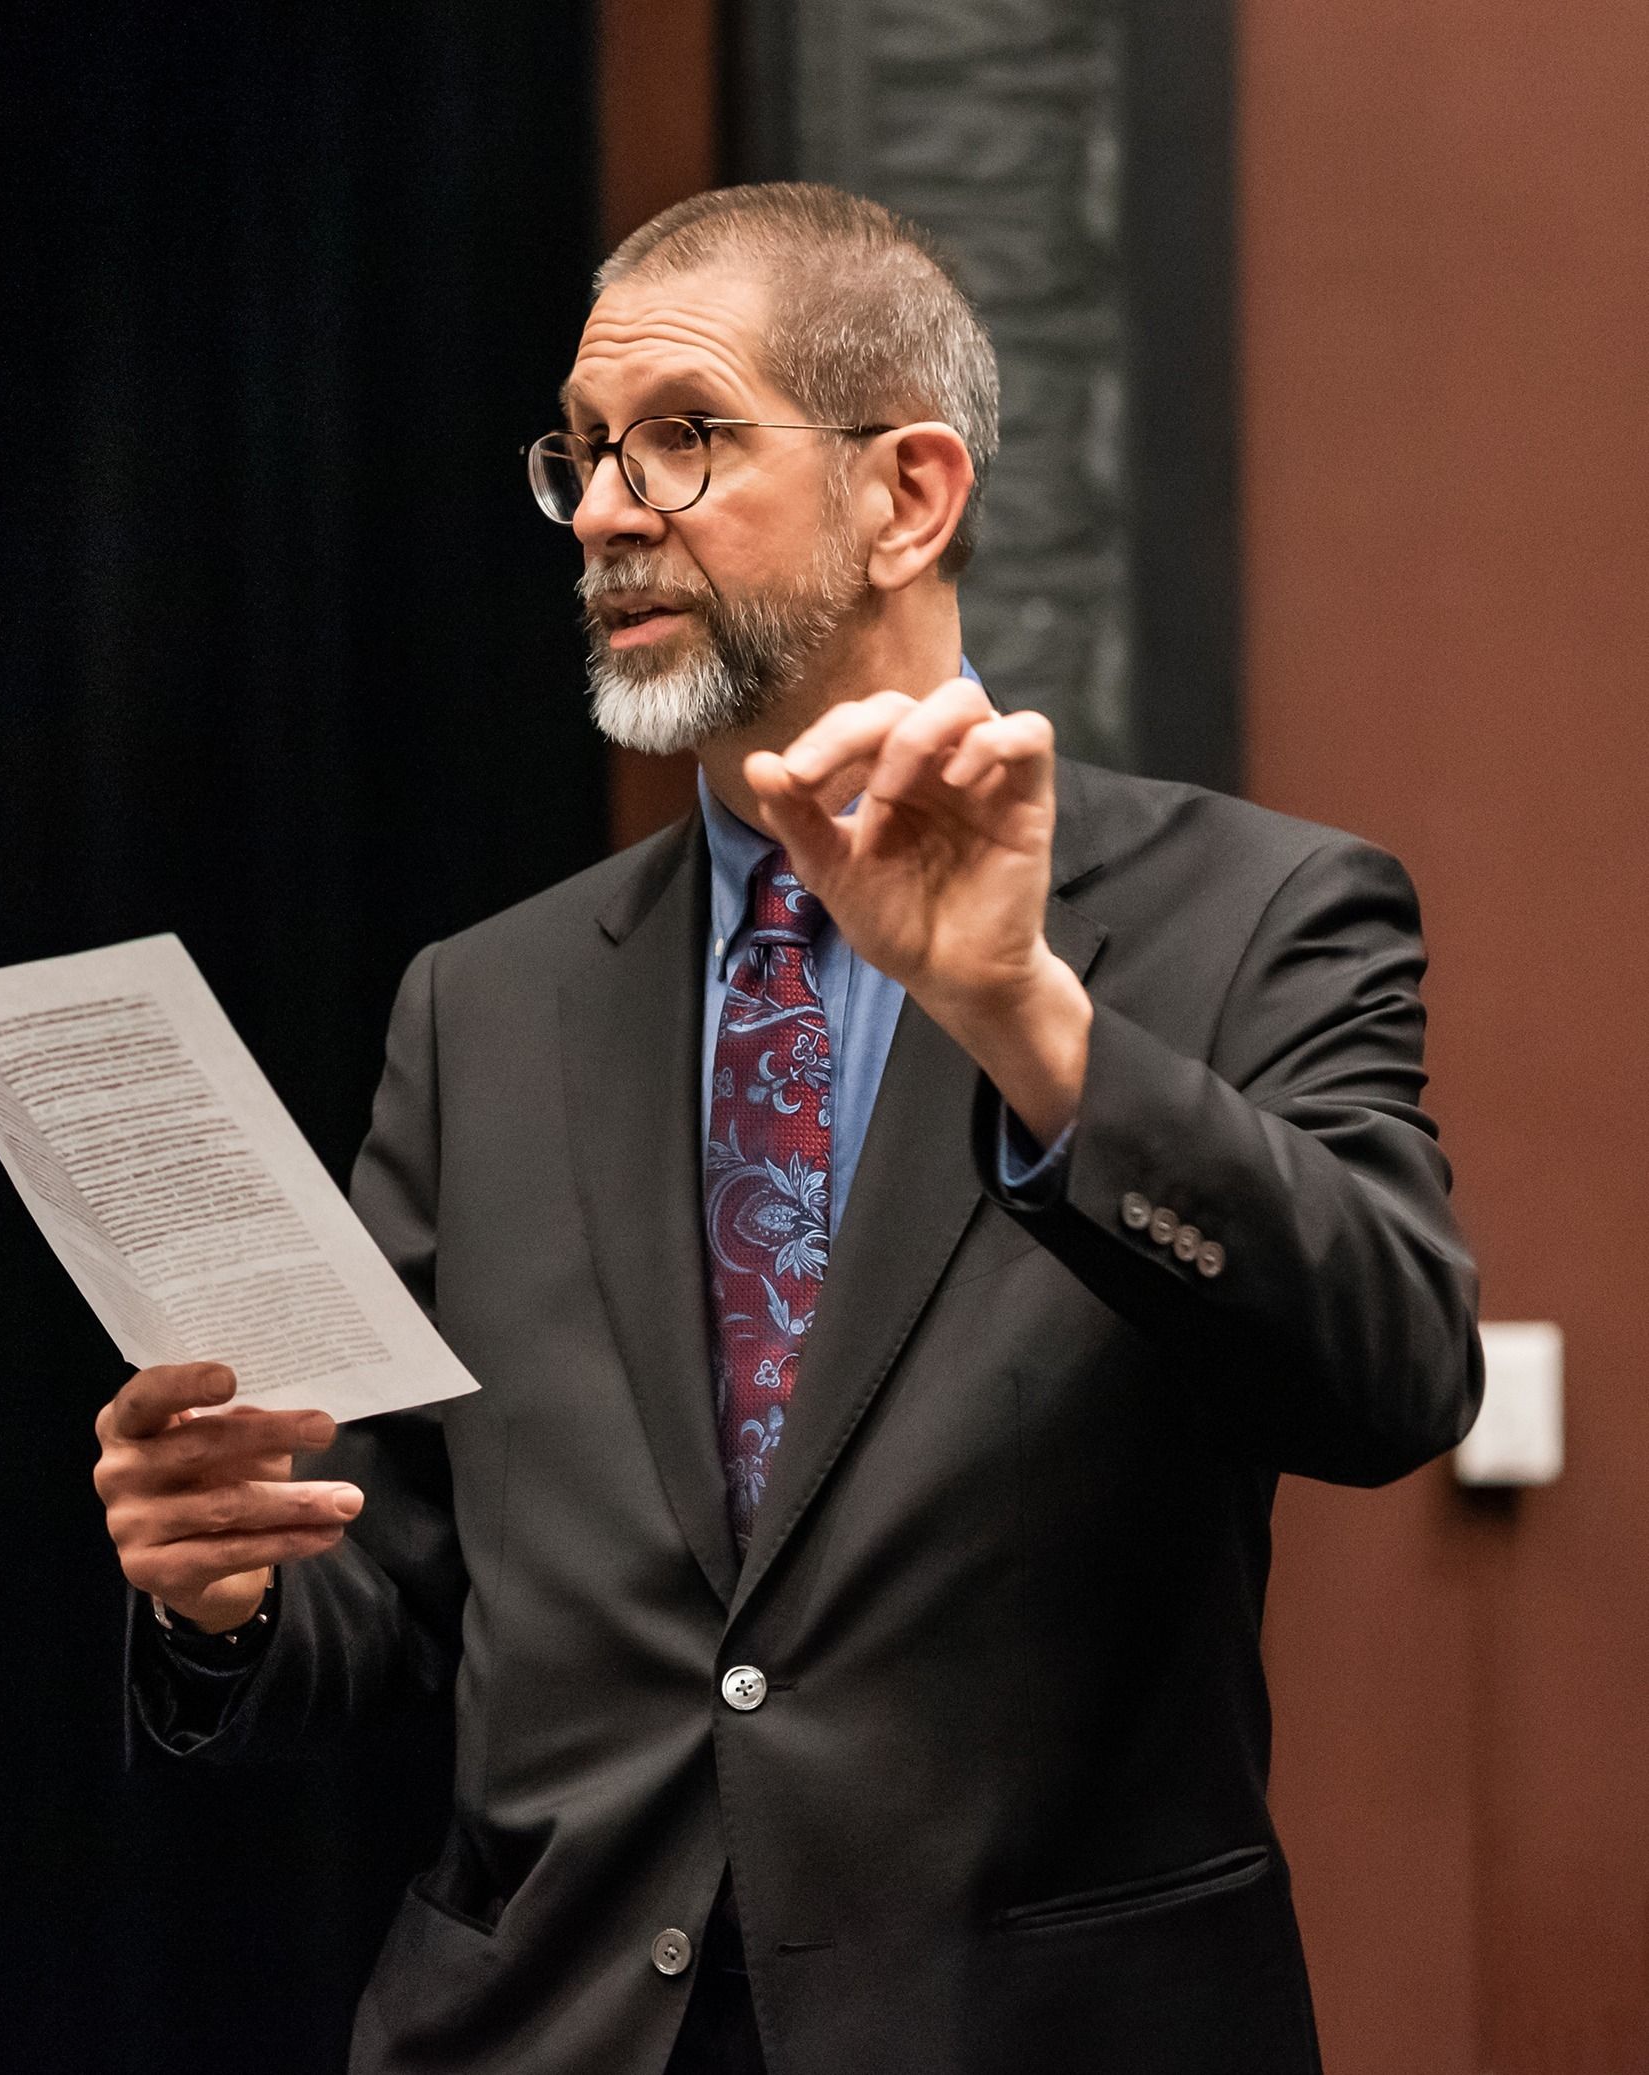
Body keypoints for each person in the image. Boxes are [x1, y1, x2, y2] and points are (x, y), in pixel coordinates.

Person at [91, 184, 1480, 2075]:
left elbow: (1395, 1377)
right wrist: (228, 1589)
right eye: (583, 454)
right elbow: (390, 1571)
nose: (605, 512)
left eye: (681, 437)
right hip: (548, 2024)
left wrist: (1023, 1016)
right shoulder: (485, 1001)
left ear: (907, 495)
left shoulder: (1255, 913)